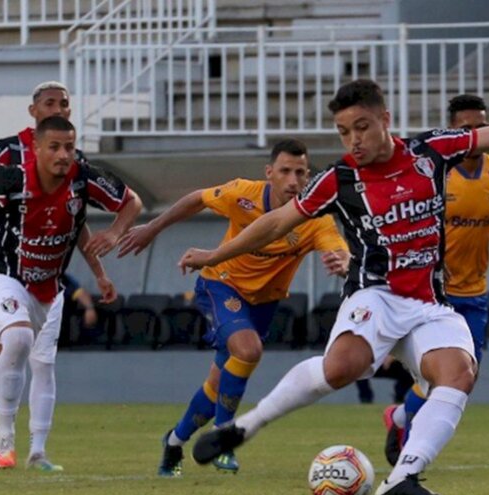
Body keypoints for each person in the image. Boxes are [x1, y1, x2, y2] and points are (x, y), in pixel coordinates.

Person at [180, 79, 489, 495]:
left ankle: (403, 477)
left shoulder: (429, 151)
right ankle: (245, 427)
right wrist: (215, 256)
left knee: (458, 374)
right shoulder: (340, 179)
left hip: (431, 304)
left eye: (361, 127)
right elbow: (278, 221)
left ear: (385, 120)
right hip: (374, 295)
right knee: (342, 370)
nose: (353, 140)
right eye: (343, 132)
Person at [117, 138, 349, 476]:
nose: (292, 180)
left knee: (217, 384)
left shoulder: (314, 219)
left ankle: (174, 442)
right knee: (248, 348)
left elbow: (338, 246)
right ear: (269, 173)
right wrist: (152, 229)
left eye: (300, 172)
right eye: (285, 171)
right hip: (220, 285)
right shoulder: (243, 194)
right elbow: (196, 198)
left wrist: (341, 260)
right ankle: (224, 435)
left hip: (264, 304)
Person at [0, 116, 141, 475]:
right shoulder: (12, 176)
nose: (63, 155)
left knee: (10, 350)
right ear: (36, 148)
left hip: (45, 287)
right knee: (13, 340)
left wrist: (116, 234)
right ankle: (4, 438)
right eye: (54, 147)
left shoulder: (83, 179)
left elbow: (132, 201)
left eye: (69, 147)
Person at [382, 93, 489, 466]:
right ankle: (409, 456)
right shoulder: (432, 171)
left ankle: (397, 418)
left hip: (474, 291)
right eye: (466, 127)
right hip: (432, 292)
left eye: (481, 126)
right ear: (451, 130)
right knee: (442, 376)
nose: (475, 133)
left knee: (464, 378)